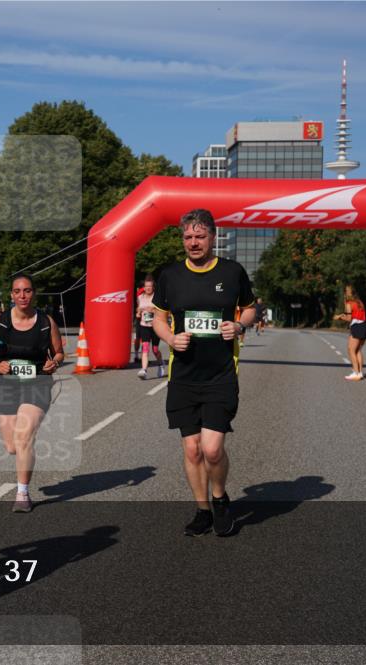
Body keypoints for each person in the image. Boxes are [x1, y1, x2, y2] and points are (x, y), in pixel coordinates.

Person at [152, 209, 256, 537]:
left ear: (213, 237)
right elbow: (158, 317)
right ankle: (202, 509)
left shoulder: (232, 271)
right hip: (183, 375)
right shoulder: (170, 275)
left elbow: (252, 308)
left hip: (221, 374)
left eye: (199, 236)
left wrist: (239, 324)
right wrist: (170, 337)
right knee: (192, 449)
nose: (193, 243)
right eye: (188, 237)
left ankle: (220, 497)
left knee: (211, 449)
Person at [0, 273, 64, 513]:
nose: (22, 295)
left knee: (24, 436)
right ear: (12, 295)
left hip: (37, 384)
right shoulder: (0, 322)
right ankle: (24, 457)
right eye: (17, 291)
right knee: (12, 447)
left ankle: (22, 493)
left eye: (27, 291)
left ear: (33, 293)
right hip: (6, 386)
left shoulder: (46, 322)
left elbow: (58, 352)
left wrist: (54, 363)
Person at [333, 284, 366, 381]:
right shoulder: (360, 302)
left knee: (351, 350)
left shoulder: (349, 303)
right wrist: (343, 313)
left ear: (349, 293)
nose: (345, 293)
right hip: (364, 327)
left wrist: (339, 317)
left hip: (356, 327)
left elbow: (349, 318)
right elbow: (354, 314)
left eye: (346, 291)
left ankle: (356, 373)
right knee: (358, 350)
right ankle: (360, 373)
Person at [135, 274, 165, 379]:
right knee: (145, 348)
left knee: (155, 349)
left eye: (150, 286)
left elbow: (164, 312)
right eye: (146, 286)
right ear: (144, 287)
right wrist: (138, 313)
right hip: (144, 326)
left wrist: (153, 310)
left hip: (155, 326)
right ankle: (144, 370)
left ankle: (161, 364)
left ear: (153, 287)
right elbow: (138, 310)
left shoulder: (157, 298)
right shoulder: (140, 297)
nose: (148, 288)